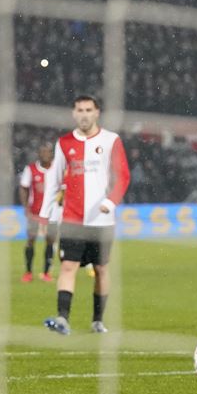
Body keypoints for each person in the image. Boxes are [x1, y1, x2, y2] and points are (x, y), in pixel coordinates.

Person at [40, 95, 130, 335]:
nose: (84, 114)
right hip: (72, 218)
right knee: (68, 266)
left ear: (97, 112)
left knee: (101, 269)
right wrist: (45, 215)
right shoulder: (64, 142)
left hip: (102, 220)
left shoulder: (111, 140)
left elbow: (123, 176)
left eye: (88, 110)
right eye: (79, 110)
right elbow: (53, 180)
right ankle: (62, 319)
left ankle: (97, 320)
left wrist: (110, 202)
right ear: (73, 113)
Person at [18, 143, 58, 283]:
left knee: (50, 241)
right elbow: (24, 188)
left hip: (52, 213)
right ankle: (28, 272)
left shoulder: (57, 169)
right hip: (35, 212)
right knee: (31, 240)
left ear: (51, 154)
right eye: (42, 152)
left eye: (47, 152)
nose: (45, 155)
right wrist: (25, 207)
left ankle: (46, 273)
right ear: (38, 154)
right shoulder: (31, 169)